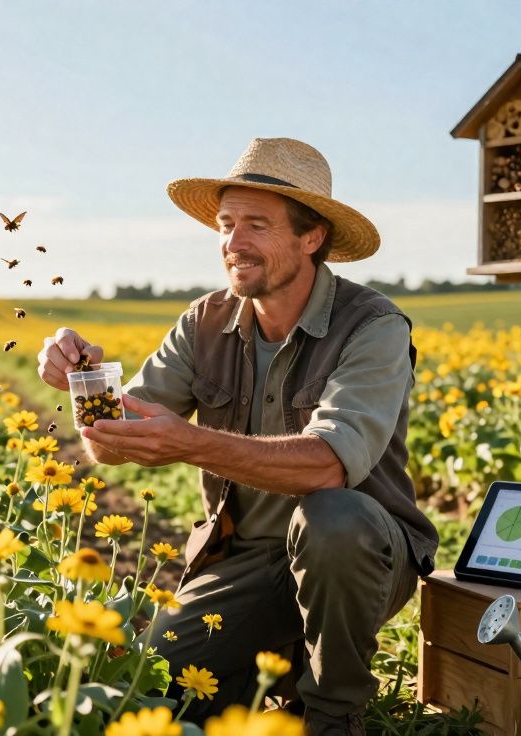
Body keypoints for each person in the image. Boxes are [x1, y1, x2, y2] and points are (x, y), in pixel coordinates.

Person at [36, 137, 438, 736]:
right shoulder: (204, 322)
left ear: (311, 237)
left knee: (333, 518)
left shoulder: (372, 326)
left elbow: (328, 466)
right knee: (153, 704)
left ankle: (333, 714)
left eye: (256, 224)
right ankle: (279, 660)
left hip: (361, 559)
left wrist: (190, 443)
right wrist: (84, 384)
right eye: (226, 224)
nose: (233, 243)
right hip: (246, 558)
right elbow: (109, 447)